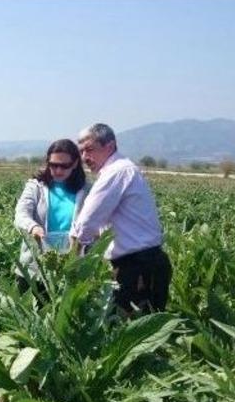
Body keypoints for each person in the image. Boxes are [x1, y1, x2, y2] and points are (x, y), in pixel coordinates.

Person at [71, 123, 172, 314]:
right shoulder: (121, 169)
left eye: (90, 150)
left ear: (109, 146)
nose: (85, 157)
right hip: (140, 265)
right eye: (81, 151)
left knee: (132, 333)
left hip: (138, 268)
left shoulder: (117, 171)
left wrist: (71, 262)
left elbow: (86, 224)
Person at [14, 139, 90, 291]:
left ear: (75, 163)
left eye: (64, 166)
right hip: (34, 268)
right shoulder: (35, 187)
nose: (58, 170)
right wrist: (33, 227)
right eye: (53, 165)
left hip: (72, 268)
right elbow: (21, 214)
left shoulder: (87, 191)